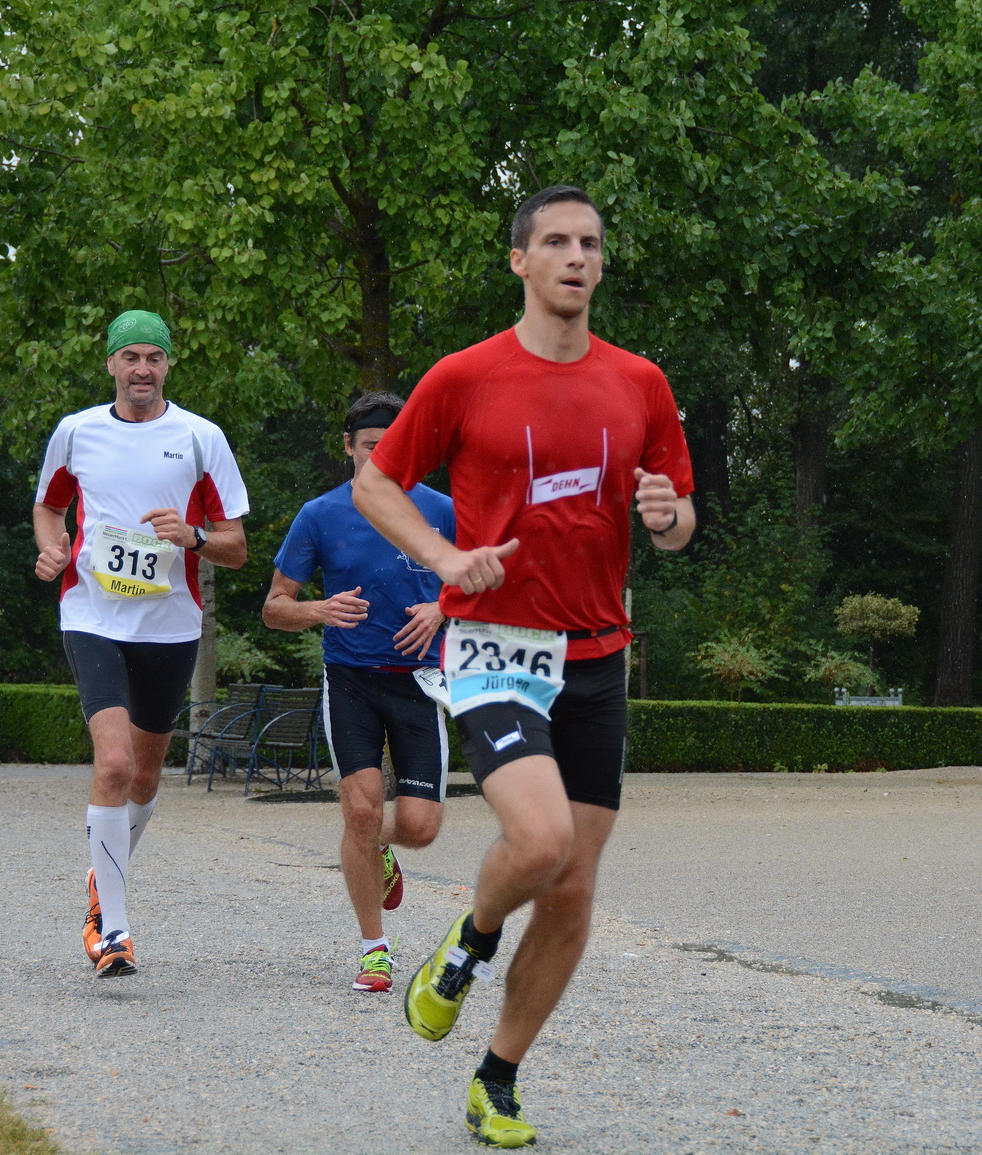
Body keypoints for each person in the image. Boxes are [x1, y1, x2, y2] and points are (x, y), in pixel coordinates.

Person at [352, 185, 695, 1149]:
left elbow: (675, 516)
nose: (576, 257)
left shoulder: (641, 382)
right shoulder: (465, 376)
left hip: (598, 655)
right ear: (521, 261)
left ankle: (495, 1077)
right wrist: (445, 558)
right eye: (555, 241)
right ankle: (466, 943)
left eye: (589, 243)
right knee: (540, 842)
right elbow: (374, 482)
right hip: (496, 646)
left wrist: (670, 522)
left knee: (577, 888)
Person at [33, 309, 249, 978]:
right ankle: (114, 929)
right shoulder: (76, 433)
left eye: (154, 357)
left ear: (168, 366)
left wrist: (191, 537)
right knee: (117, 763)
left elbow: (236, 547)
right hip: (92, 615)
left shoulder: (200, 438)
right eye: (131, 358)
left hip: (170, 625)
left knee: (149, 776)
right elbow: (49, 506)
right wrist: (51, 548)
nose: (143, 370)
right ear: (111, 365)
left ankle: (104, 876)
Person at [263, 391, 456, 993]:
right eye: (370, 447)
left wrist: (442, 607)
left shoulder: (444, 511)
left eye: (393, 448)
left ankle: (376, 847)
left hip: (421, 682)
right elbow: (273, 608)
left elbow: (485, 584)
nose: (380, 458)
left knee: (420, 826)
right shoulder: (319, 514)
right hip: (349, 679)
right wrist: (319, 608)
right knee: (363, 808)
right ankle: (375, 949)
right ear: (349, 448)